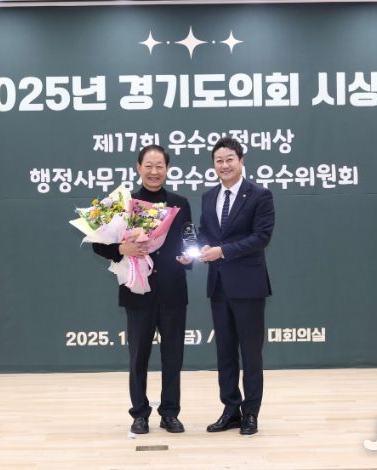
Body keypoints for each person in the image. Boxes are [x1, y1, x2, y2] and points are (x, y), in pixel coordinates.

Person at [92, 145, 191, 435]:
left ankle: (170, 413)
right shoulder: (124, 203)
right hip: (137, 290)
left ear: (167, 169)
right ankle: (139, 414)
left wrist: (190, 257)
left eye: (160, 166)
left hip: (173, 290)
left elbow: (189, 237)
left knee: (173, 356)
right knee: (138, 357)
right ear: (138, 168)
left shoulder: (180, 203)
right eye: (148, 165)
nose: (154, 171)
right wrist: (120, 249)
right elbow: (98, 243)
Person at [197, 137, 275, 436]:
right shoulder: (208, 197)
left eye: (230, 159)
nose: (224, 165)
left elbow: (261, 237)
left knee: (251, 354)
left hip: (249, 286)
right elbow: (205, 233)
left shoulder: (260, 195)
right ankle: (230, 410)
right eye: (219, 160)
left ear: (241, 161)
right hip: (218, 286)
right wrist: (195, 250)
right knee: (225, 352)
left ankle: (250, 413)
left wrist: (223, 251)